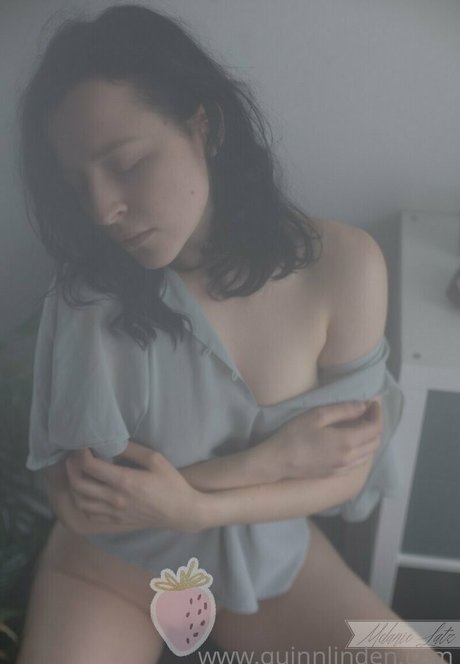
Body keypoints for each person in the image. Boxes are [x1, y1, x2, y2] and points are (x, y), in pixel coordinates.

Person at [15, 5, 440, 664]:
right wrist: (263, 464)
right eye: (78, 185)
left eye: (126, 164)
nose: (102, 211)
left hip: (269, 563)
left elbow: (347, 470)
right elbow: (85, 506)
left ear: (203, 124)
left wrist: (196, 509)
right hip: (114, 568)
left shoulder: (344, 268)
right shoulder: (89, 297)